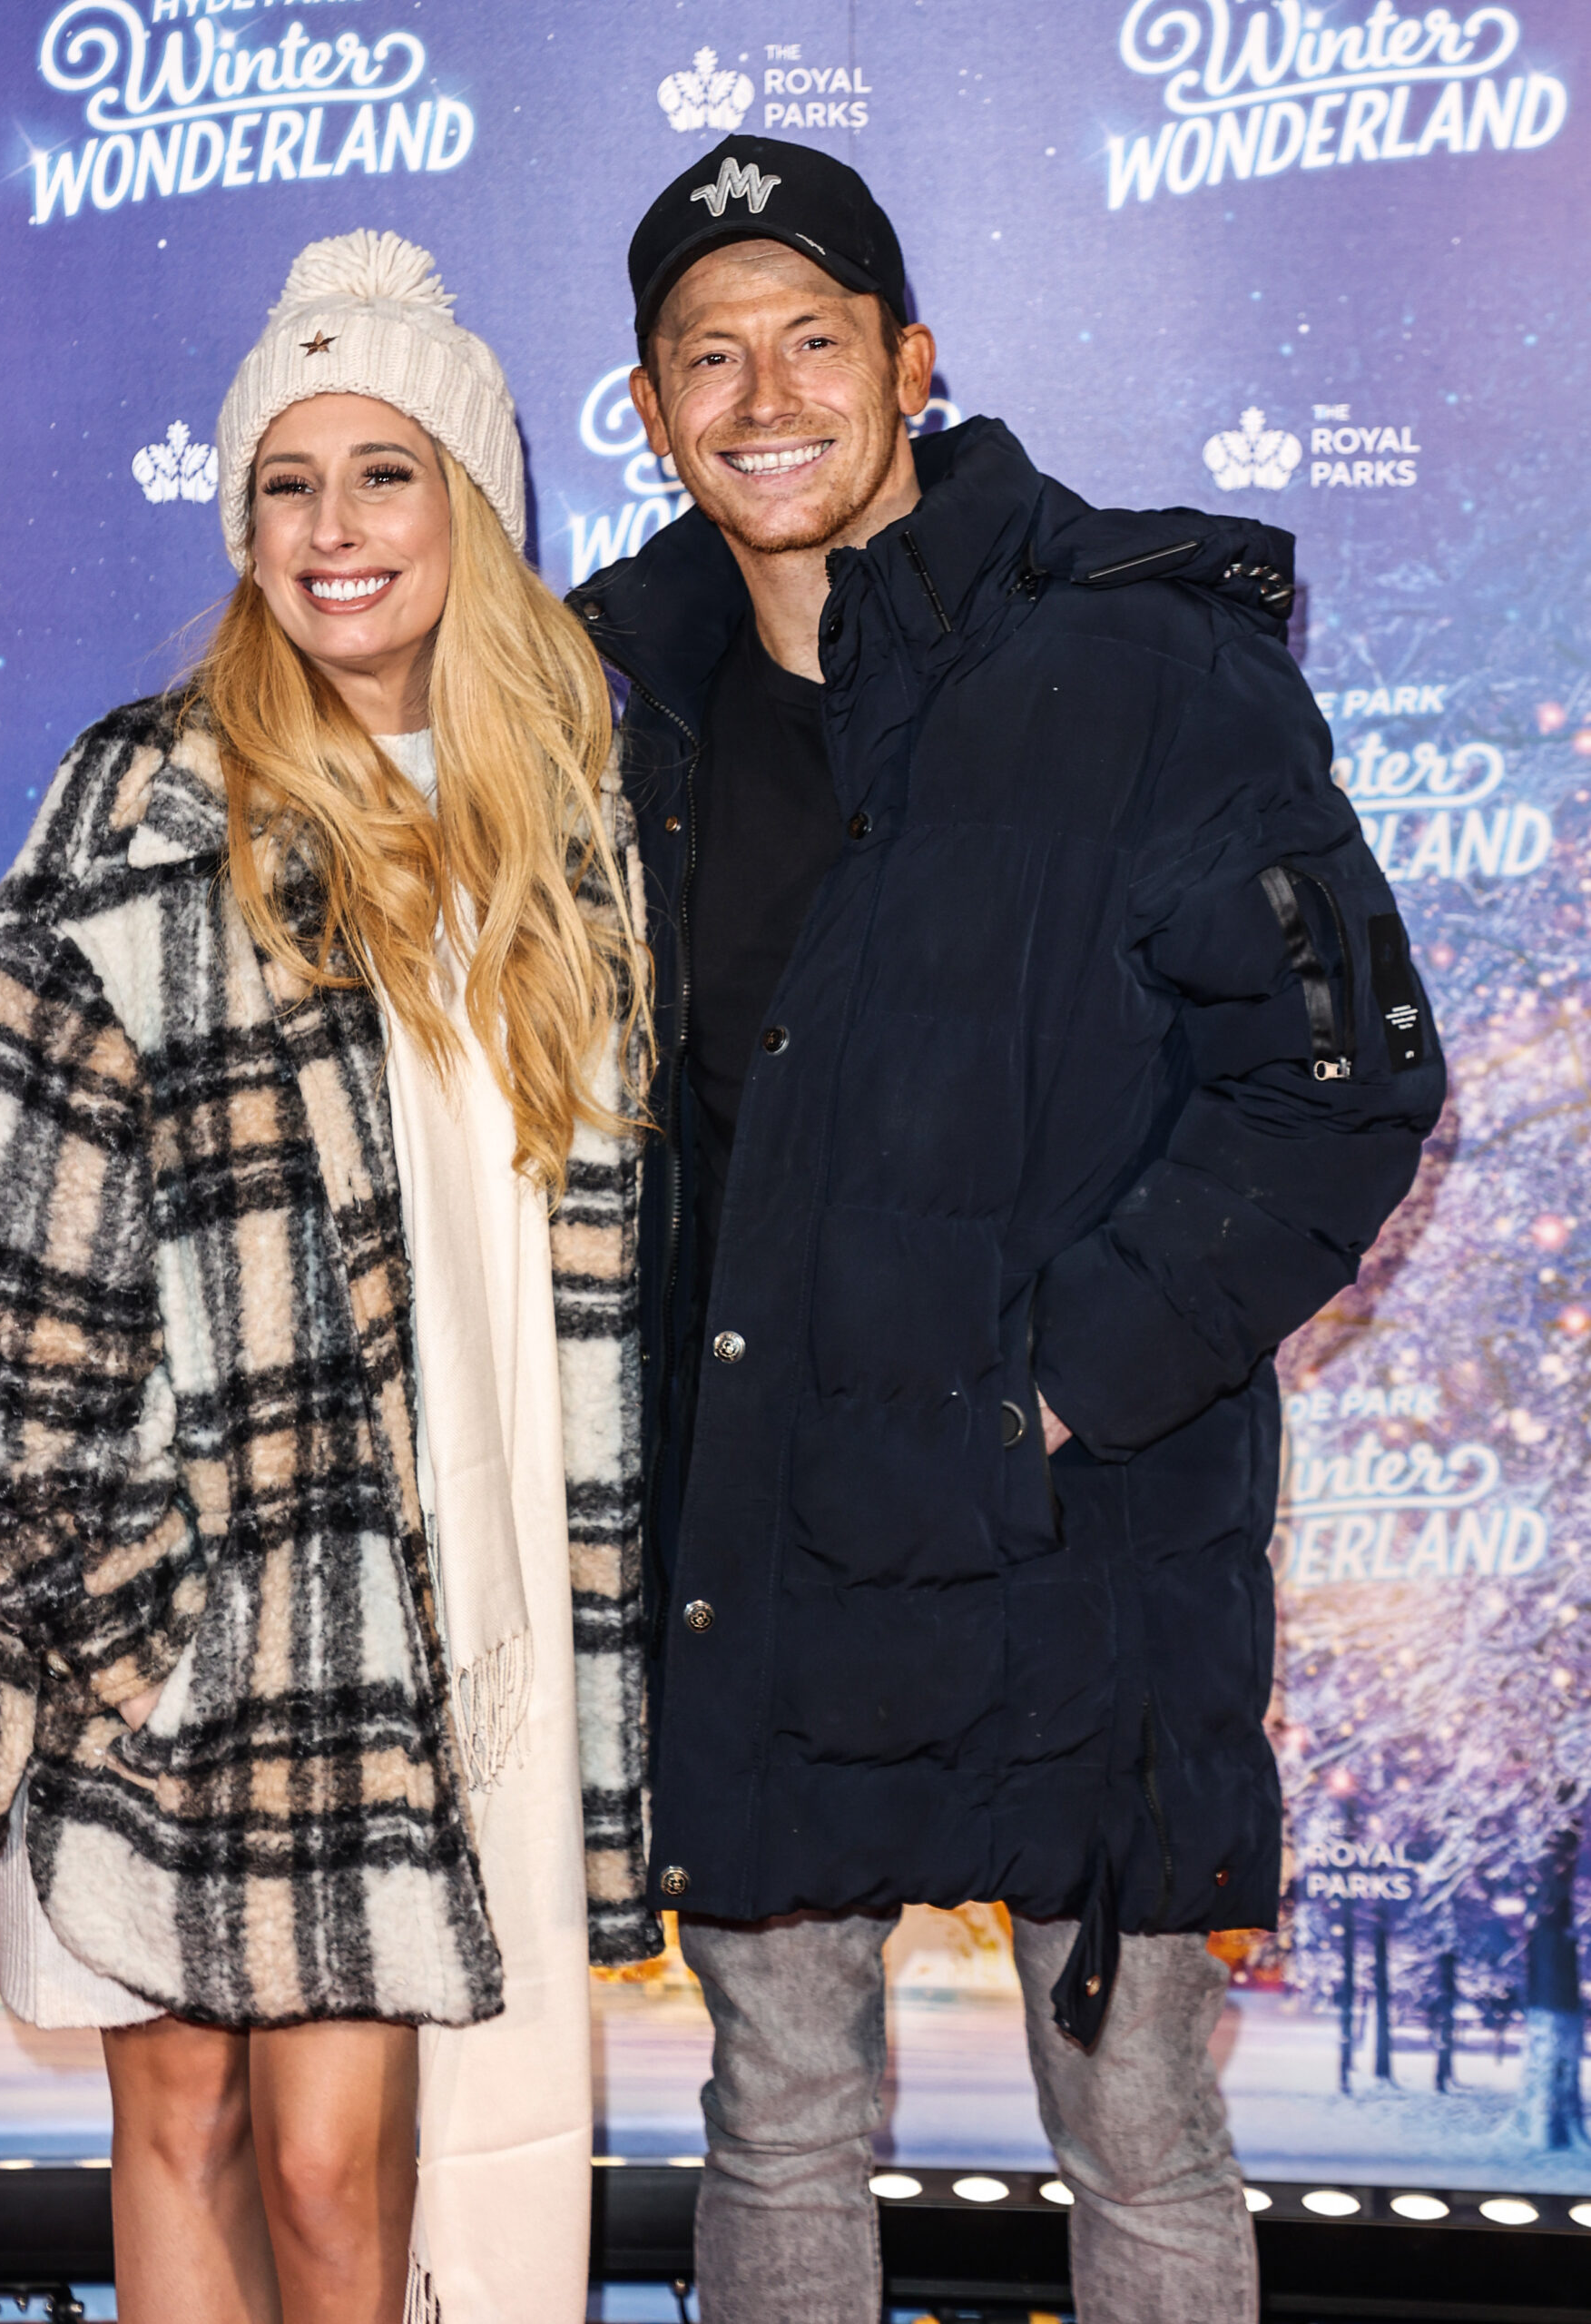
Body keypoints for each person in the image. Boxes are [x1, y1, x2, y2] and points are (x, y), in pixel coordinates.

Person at [570, 138, 1445, 2324]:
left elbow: (1342, 1085)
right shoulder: (602, 699)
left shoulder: (1144, 664)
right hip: (758, 1533)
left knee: (1141, 2128)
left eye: (813, 341)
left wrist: (1056, 1388)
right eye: (710, 357)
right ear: (654, 405)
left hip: (1088, 1551)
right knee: (777, 2119)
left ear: (911, 360)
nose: (764, 396)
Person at [0, 231, 661, 2324]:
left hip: (466, 1623)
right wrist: (131, 1615)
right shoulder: (148, 798)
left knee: (353, 2183)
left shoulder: (566, 828)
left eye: (383, 470)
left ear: (469, 498)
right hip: (200, 1617)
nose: (332, 528)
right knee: (211, 2133)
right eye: (286, 482)